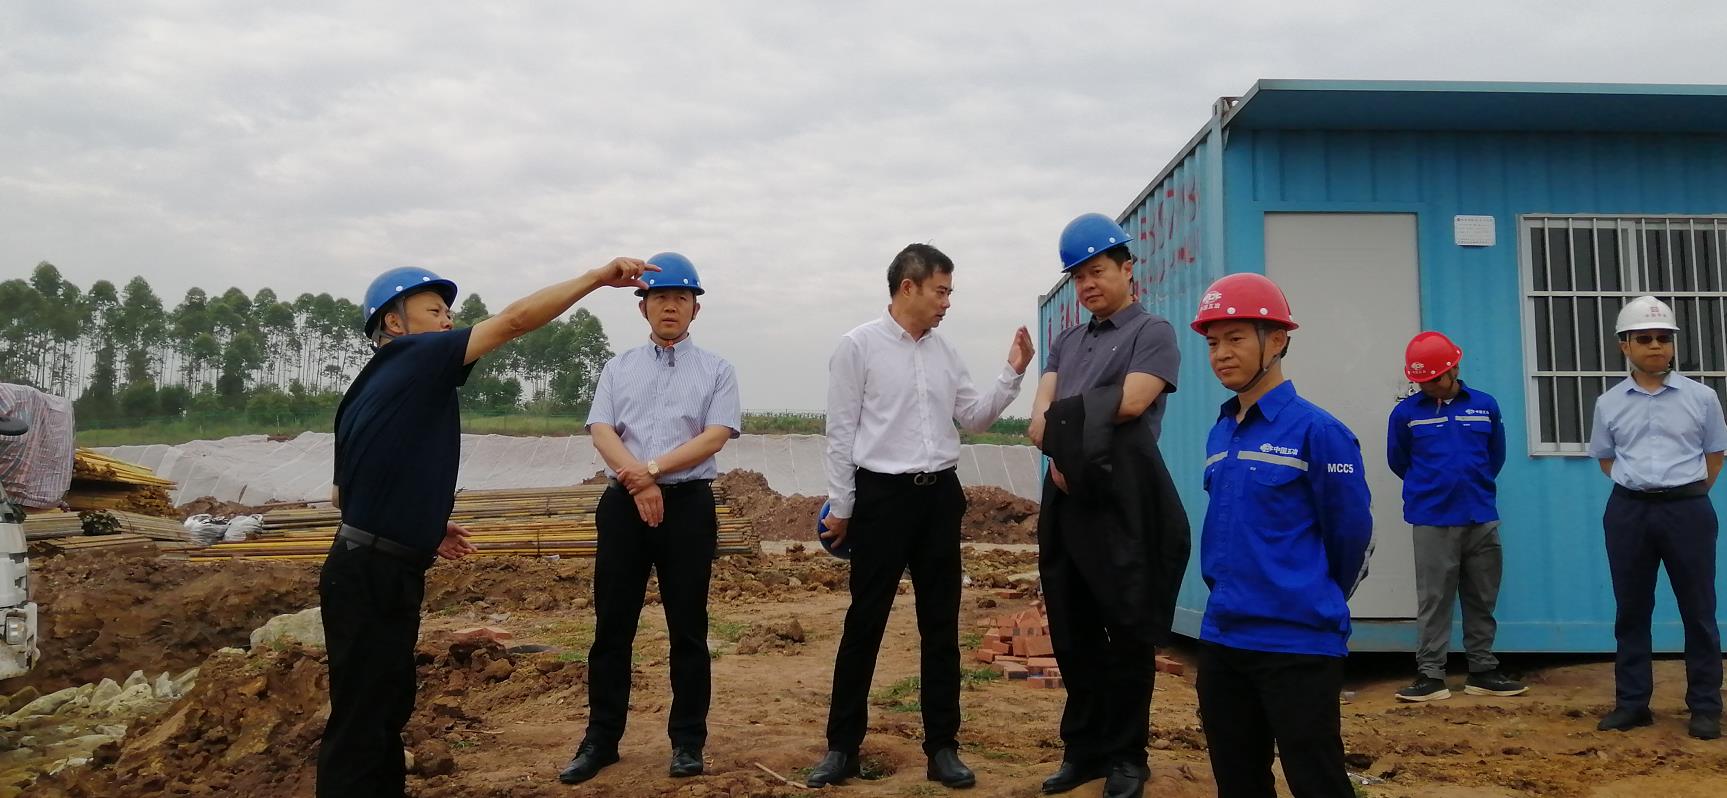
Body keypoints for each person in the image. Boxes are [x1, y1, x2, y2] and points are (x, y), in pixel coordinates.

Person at [320, 257, 653, 797]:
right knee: (362, 721)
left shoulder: (372, 386)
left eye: (448, 312)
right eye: (434, 310)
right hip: (370, 574)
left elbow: (345, 493)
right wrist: (596, 279)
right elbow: (516, 320)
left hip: (374, 564)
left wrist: (423, 524)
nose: (448, 320)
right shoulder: (414, 355)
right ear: (395, 324)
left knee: (382, 708)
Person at [805, 243, 1034, 790]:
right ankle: (842, 748)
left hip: (939, 499)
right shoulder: (858, 347)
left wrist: (1012, 373)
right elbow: (840, 432)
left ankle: (942, 747)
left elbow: (973, 418)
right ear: (908, 287)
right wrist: (843, 507)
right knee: (865, 622)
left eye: (950, 292)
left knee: (940, 624)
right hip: (880, 499)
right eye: (941, 290)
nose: (947, 302)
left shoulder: (945, 352)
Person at [558, 253, 743, 784]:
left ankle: (687, 741)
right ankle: (601, 740)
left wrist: (653, 472)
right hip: (623, 508)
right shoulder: (618, 368)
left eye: (681, 298)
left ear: (695, 309)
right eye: (660, 297)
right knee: (612, 628)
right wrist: (638, 482)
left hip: (687, 507)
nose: (670, 306)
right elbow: (601, 430)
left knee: (688, 629)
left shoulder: (717, 370)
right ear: (643, 307)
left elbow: (715, 435)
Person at [1190, 272, 1374, 798]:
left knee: (1316, 781)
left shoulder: (1320, 432)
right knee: (1238, 781)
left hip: (1298, 644)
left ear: (1277, 341)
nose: (1221, 354)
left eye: (1235, 338)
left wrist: (1309, 596)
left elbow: (1351, 537)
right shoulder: (1221, 431)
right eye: (1212, 343)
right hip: (1224, 640)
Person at [1027, 213, 1188, 798]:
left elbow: (1135, 401)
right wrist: (1063, 437)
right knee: (1072, 629)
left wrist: (1062, 428)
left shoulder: (1153, 332)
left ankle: (1127, 757)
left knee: (1127, 630)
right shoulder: (1067, 341)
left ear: (1126, 269)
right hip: (1066, 498)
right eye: (1078, 277)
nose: (1087, 284)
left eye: (1097, 271)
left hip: (1123, 499)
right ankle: (1084, 750)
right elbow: (1036, 421)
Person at [1587, 295, 1724, 741]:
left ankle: (1705, 707)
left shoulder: (1702, 398)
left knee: (1699, 611)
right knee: (1631, 610)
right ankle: (1632, 704)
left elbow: (1715, 455)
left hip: (1688, 510)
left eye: (1663, 338)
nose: (1655, 346)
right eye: (1643, 338)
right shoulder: (1609, 403)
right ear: (1624, 345)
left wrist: (1685, 494)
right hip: (1629, 512)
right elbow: (1606, 458)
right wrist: (1642, 489)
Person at [1387, 331, 1526, 702]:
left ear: (1454, 369)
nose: (1428, 386)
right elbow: (1399, 461)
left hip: (1480, 516)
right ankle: (1431, 675)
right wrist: (1433, 488)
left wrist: (1473, 487)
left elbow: (1495, 456)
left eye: (1434, 378)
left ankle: (1482, 669)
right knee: (1434, 600)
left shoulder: (1485, 406)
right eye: (1421, 381)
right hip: (1432, 519)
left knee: (1482, 596)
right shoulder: (1405, 414)